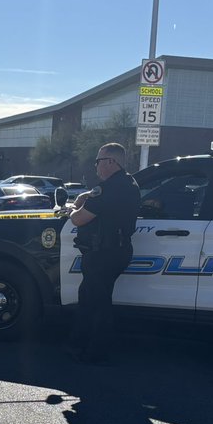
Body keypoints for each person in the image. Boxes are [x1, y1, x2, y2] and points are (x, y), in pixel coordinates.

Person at [66, 142, 140, 363]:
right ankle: (78, 344)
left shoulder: (109, 189)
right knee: (89, 297)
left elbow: (79, 219)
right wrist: (89, 195)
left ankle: (96, 352)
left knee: (98, 302)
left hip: (103, 254)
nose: (96, 166)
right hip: (117, 250)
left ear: (110, 162)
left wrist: (71, 209)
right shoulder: (129, 183)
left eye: (98, 161)